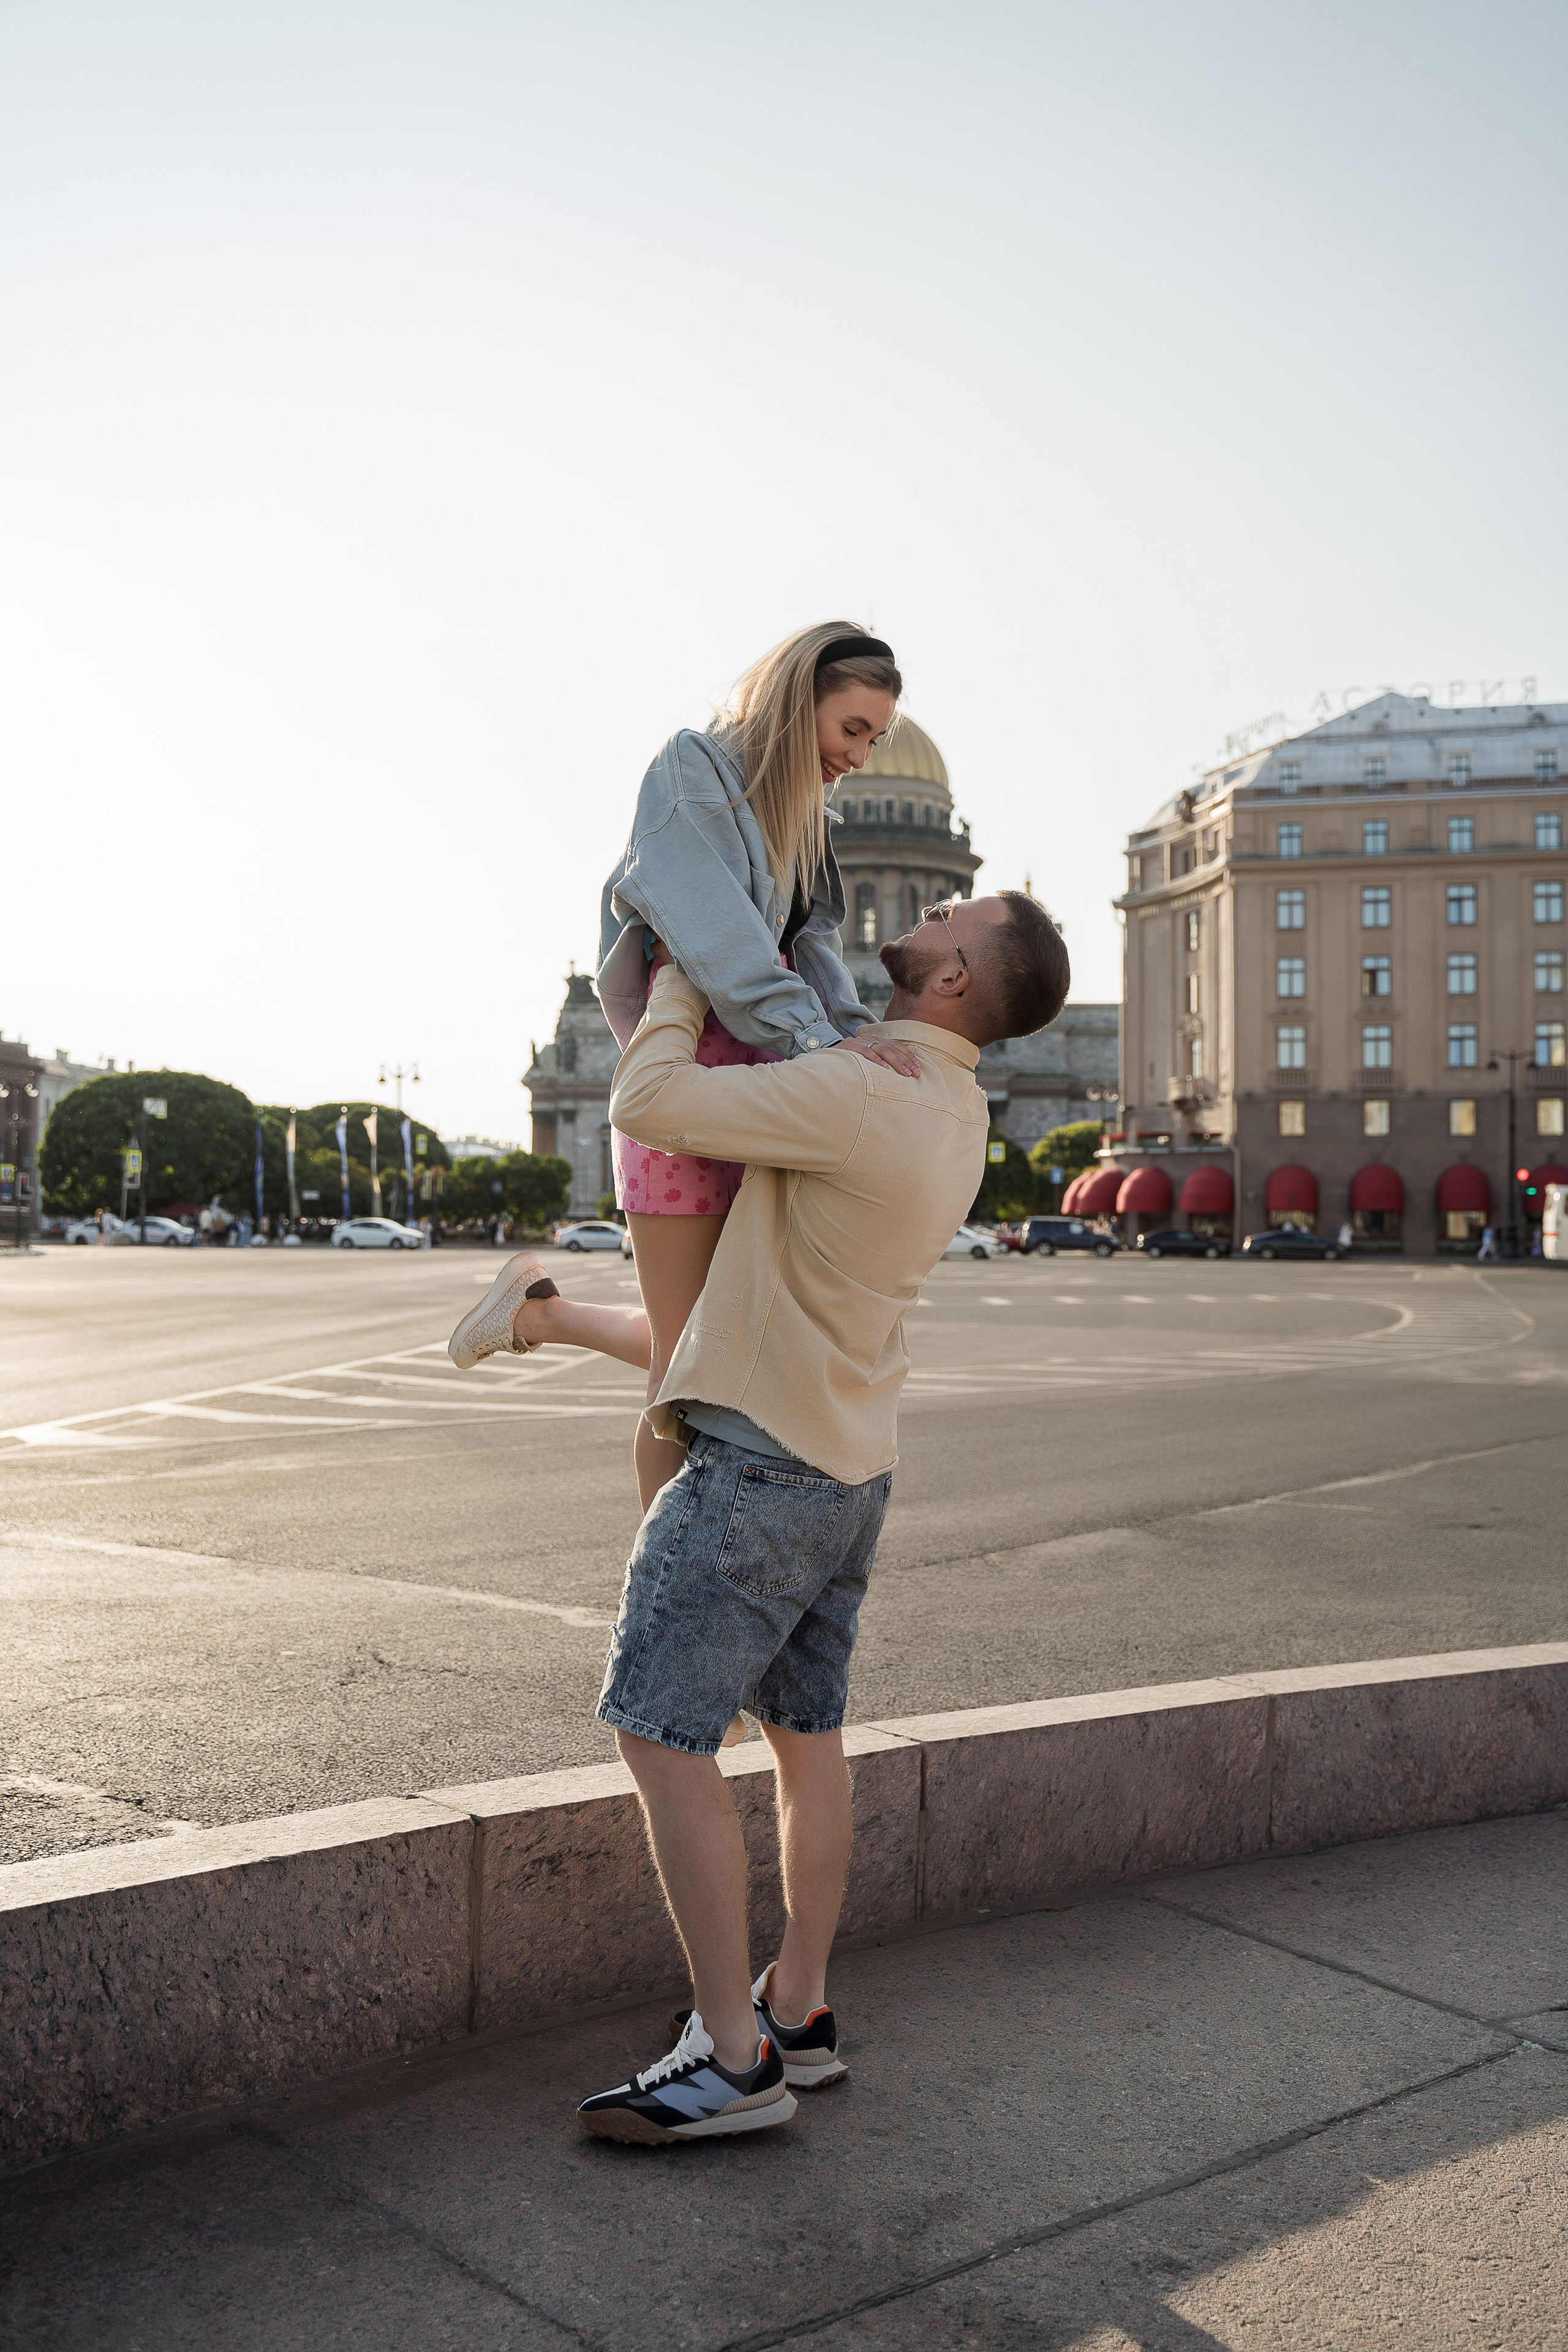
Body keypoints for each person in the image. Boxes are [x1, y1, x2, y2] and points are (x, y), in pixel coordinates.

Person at [453, 890, 1071, 2141]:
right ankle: (798, 2010)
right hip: (848, 1470)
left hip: (758, 1475)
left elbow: (648, 1102)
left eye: (952, 913)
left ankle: (732, 2062)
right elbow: (717, 1319)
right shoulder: (944, 1100)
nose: (930, 907)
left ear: (951, 979)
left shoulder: (860, 1089)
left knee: (659, 1735)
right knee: (805, 1738)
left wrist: (688, 962)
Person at [594, 624, 921, 1512]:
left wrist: (857, 1041)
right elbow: (725, 944)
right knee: (682, 1372)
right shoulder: (693, 766)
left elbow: (813, 945)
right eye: (851, 730)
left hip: (774, 1079)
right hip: (692, 1075)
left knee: (731, 1339)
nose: (859, 756)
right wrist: (827, 1054)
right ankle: (658, 1588)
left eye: (874, 738)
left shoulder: (803, 812)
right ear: (795, 700)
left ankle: (540, 1315)